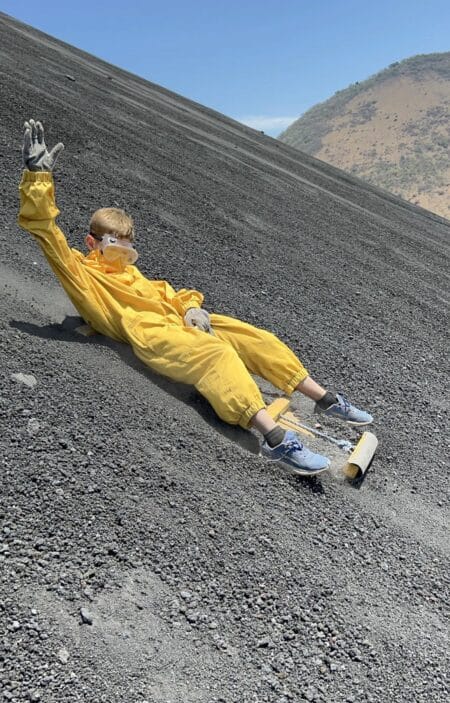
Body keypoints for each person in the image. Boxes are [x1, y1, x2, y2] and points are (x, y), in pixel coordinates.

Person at [18, 119, 373, 477]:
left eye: (128, 243)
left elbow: (169, 292)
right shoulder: (81, 271)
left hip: (176, 322)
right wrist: (38, 178)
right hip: (149, 334)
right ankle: (275, 440)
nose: (123, 251)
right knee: (216, 354)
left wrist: (191, 309)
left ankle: (325, 400)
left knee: (251, 336)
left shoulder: (132, 272)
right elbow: (45, 229)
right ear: (93, 242)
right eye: (113, 243)